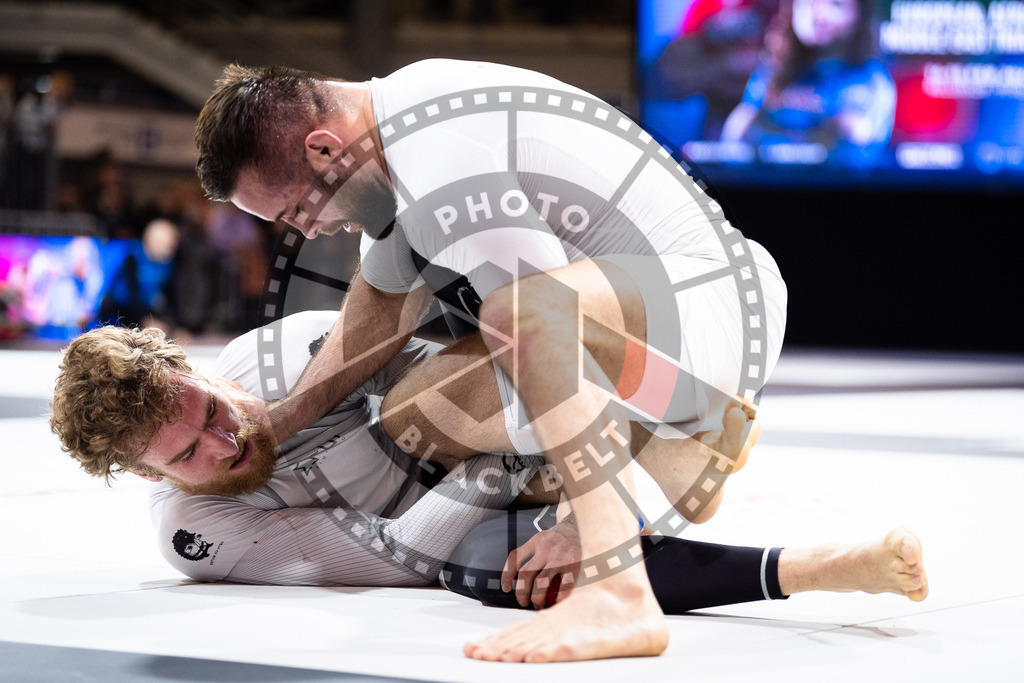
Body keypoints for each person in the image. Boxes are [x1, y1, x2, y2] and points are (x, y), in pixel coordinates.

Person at [194, 59, 789, 662]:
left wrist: (579, 523)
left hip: (707, 298)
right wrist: (276, 423)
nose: (310, 231)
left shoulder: (437, 162)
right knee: (414, 410)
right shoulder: (403, 122)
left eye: (296, 211)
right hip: (657, 312)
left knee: (514, 316)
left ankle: (621, 586)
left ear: (323, 150)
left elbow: (547, 330)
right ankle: (685, 437)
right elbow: (375, 313)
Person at [48, 312, 928, 614]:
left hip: (521, 436)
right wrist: (548, 503)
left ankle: (671, 420)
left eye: (208, 407)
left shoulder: (284, 354)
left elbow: (494, 360)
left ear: (194, 366)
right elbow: (398, 559)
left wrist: (581, 492)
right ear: (148, 475)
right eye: (189, 452)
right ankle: (814, 569)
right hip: (460, 511)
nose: (224, 438)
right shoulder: (196, 532)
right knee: (496, 571)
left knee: (422, 401)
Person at [720, 0, 896, 165]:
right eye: (809, 1)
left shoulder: (870, 79)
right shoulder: (774, 69)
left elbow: (859, 143)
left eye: (835, 4)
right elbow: (736, 135)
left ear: (859, 16)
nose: (817, 12)